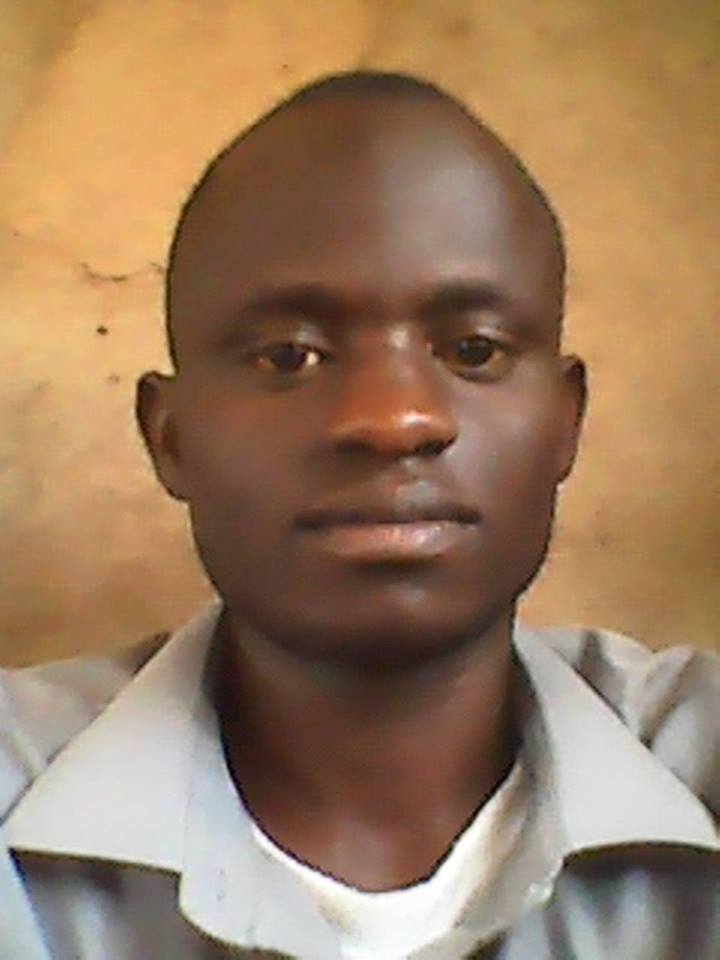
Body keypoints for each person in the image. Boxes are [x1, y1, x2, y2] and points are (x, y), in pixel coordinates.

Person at [0, 70, 718, 960]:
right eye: (288, 356)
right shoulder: (18, 794)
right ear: (170, 438)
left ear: (566, 424)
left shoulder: (700, 761)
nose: (394, 418)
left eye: (473, 350)